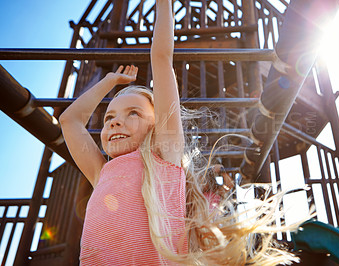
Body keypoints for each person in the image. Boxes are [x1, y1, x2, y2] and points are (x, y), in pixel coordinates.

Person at [60, 0, 301, 265]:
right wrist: (108, 82)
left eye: (133, 113)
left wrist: (163, 4)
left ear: (156, 125)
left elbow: (161, 57)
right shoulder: (101, 172)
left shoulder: (163, 156)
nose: (115, 123)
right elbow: (69, 121)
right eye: (109, 117)